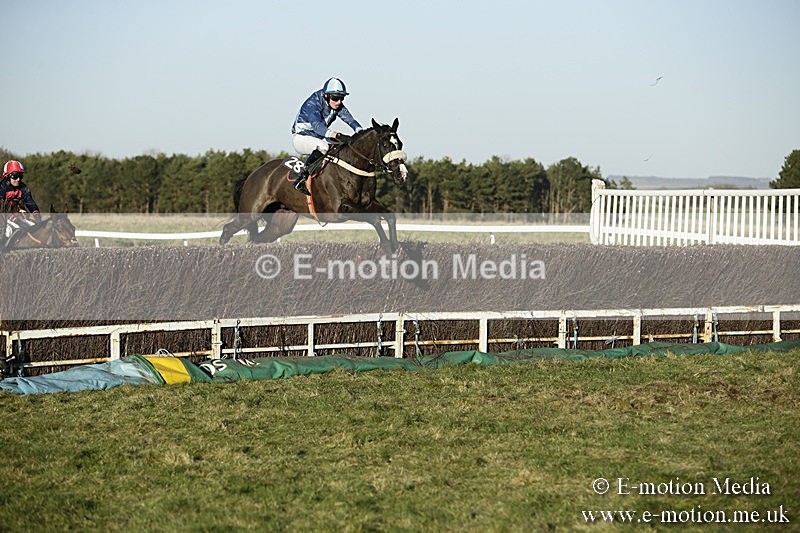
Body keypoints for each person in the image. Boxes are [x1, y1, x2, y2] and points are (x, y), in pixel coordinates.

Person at [289, 77, 363, 194]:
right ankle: (301, 179)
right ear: (326, 96)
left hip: (318, 138)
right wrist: (337, 135)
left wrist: (361, 132)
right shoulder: (312, 104)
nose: (338, 102)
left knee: (339, 148)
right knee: (323, 146)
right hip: (301, 138)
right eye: (335, 98)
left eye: (341, 98)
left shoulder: (337, 105)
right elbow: (317, 127)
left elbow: (350, 120)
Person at [1, 160, 41, 245]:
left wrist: (37, 216)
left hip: (12, 216)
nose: (18, 179)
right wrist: (15, 220)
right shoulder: (1, 187)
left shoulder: (23, 188)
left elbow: (30, 203)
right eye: (15, 176)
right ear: (8, 176)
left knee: (33, 227)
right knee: (11, 230)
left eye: (20, 176)